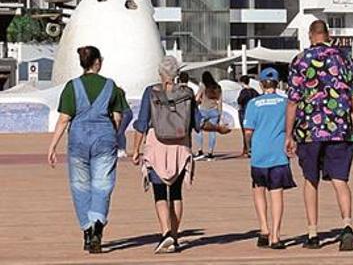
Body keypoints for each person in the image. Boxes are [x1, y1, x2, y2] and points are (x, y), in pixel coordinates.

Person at [131, 56, 229, 253]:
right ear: (176, 75)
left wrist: (135, 149)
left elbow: (142, 122)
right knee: (176, 192)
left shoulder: (151, 92)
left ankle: (166, 232)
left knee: (159, 193)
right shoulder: (187, 93)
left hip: (156, 144)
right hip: (180, 146)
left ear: (161, 74)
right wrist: (218, 128)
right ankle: (174, 236)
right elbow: (198, 122)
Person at [285, 20, 353, 251]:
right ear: (328, 35)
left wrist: (288, 134)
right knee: (340, 180)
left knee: (311, 180)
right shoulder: (346, 59)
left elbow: (292, 101)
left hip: (309, 130)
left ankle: (313, 233)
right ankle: (347, 226)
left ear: (311, 36)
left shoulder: (300, 60)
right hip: (341, 129)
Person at [48, 46, 128, 254]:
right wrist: (114, 135)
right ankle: (98, 226)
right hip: (104, 139)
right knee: (103, 184)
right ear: (97, 62)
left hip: (78, 140)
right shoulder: (111, 86)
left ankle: (86, 230)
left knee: (80, 186)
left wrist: (53, 146)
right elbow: (118, 117)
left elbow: (64, 119)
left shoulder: (72, 87)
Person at [244, 68, 295, 250]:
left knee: (259, 190)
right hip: (278, 153)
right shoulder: (285, 103)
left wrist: (249, 147)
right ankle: (276, 235)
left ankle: (264, 228)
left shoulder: (253, 103)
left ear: (261, 83)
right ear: (277, 83)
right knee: (277, 194)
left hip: (259, 154)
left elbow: (248, 131)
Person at [193, 71, 223, 161]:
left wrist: (195, 104)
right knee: (212, 132)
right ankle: (210, 153)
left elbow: (197, 98)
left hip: (203, 110)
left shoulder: (203, 86)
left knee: (199, 130)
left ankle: (200, 150)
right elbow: (220, 101)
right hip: (214, 111)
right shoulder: (218, 87)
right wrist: (220, 113)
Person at [237, 75, 259, 157]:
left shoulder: (243, 91)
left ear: (242, 82)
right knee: (254, 132)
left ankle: (246, 149)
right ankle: (253, 148)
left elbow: (239, 101)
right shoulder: (254, 91)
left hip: (244, 112)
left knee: (245, 132)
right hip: (254, 113)